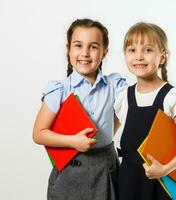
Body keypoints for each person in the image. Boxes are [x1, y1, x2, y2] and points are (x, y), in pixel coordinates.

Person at [32, 18, 126, 200]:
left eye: (93, 46)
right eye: (78, 45)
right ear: (68, 49)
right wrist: (73, 142)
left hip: (104, 169)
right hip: (69, 172)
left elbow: (134, 107)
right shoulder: (59, 90)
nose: (85, 53)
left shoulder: (114, 85)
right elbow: (39, 133)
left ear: (104, 52)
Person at [115, 22, 176, 200]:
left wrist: (164, 169)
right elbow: (108, 133)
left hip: (164, 186)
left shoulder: (172, 96)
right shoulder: (123, 96)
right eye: (132, 50)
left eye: (147, 50)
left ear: (163, 56)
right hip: (130, 184)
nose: (139, 56)